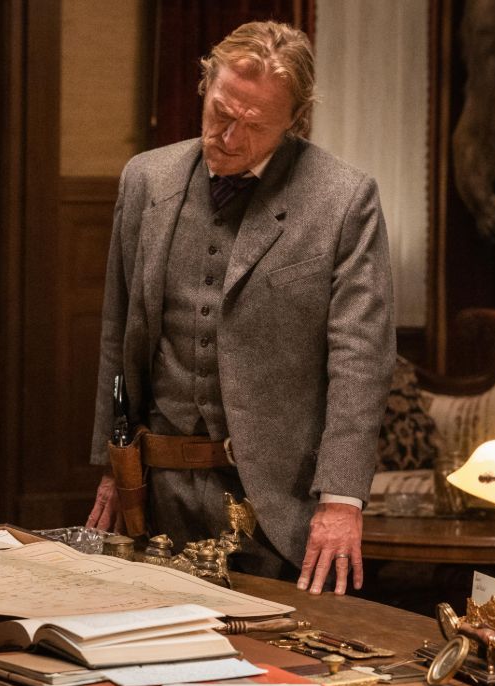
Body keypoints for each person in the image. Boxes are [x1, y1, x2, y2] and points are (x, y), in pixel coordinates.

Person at [85, 21, 394, 597]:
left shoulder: (344, 200)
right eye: (220, 112)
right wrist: (113, 466)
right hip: (155, 491)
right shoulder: (146, 179)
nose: (228, 137)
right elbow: (117, 333)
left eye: (253, 126)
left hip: (279, 506)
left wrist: (342, 499)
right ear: (206, 84)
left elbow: (361, 360)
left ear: (295, 121)